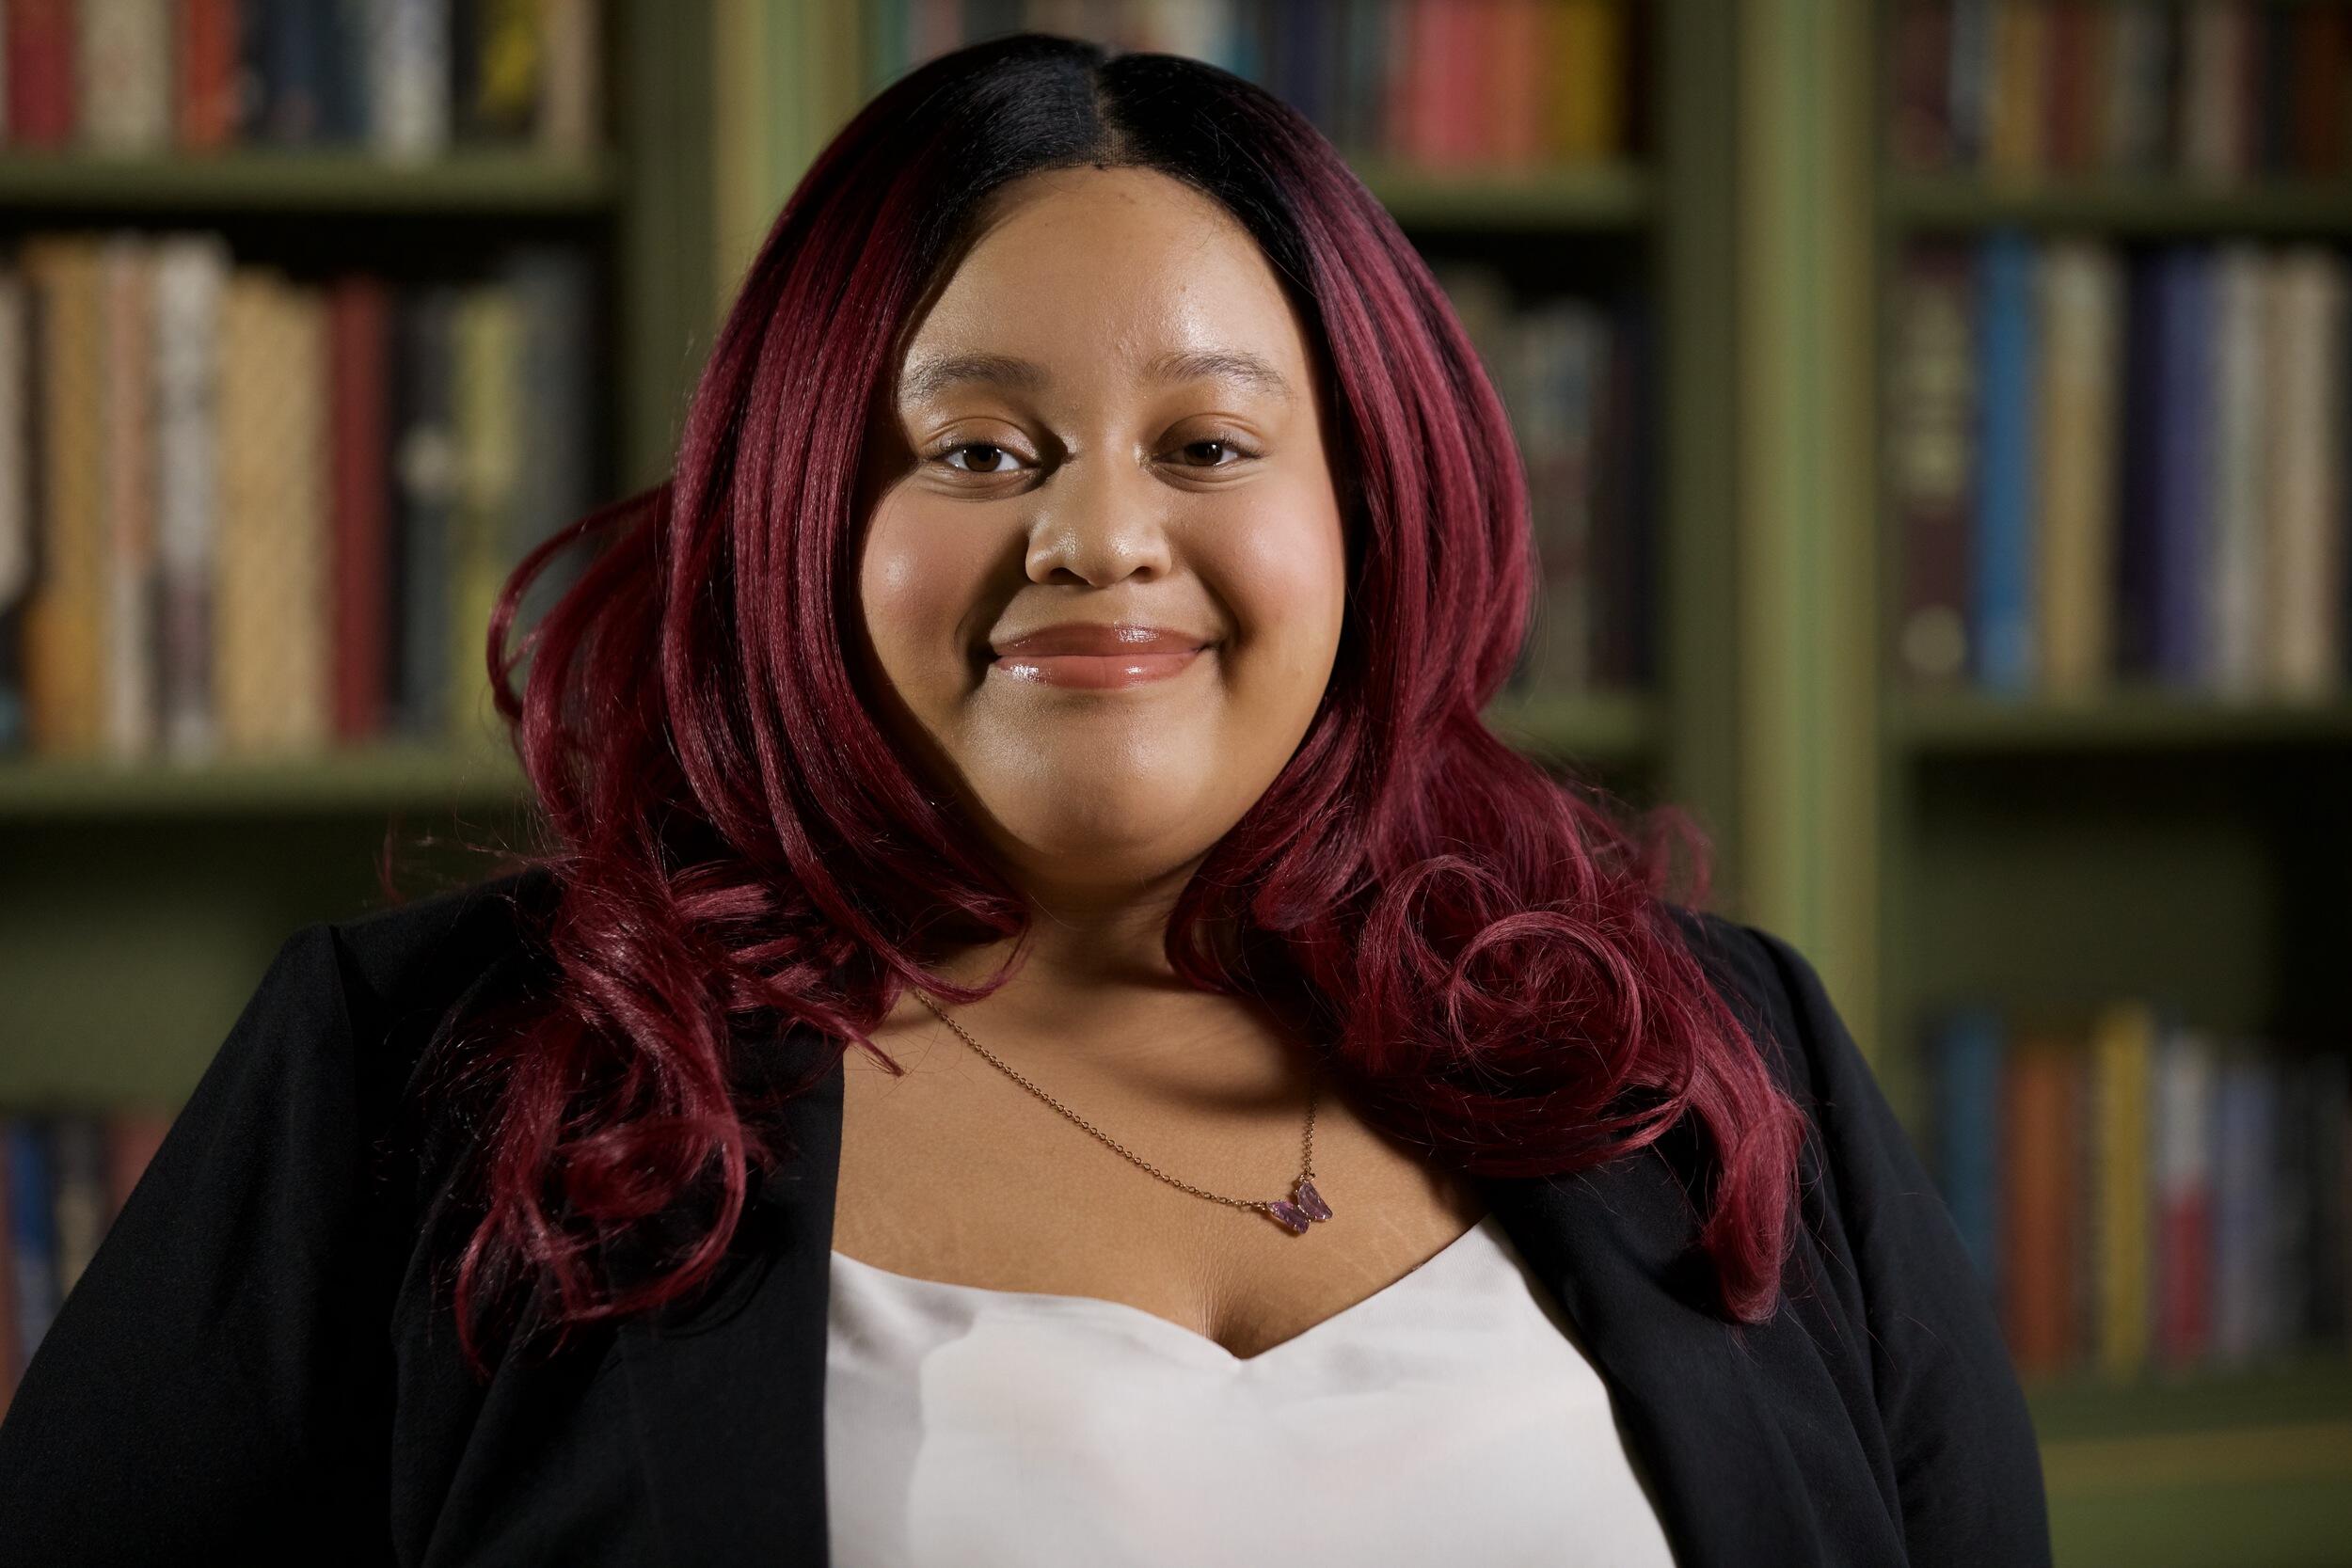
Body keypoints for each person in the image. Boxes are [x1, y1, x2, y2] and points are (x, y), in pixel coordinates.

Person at [0, 32, 2051, 1568]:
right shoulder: (425, 1078)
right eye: (976, 451)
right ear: (806, 516)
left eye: (1209, 443)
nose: (1098, 538)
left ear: (1366, 506)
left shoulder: (1706, 1059)